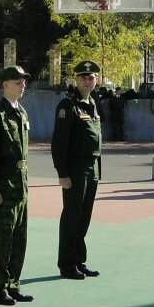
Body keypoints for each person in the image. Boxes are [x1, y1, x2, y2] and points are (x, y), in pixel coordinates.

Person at [0, 66, 33, 306]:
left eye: (23, 81)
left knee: (19, 239)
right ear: (5, 84)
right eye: (17, 81)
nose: (22, 84)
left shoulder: (21, 112)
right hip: (3, 186)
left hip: (20, 186)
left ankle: (13, 285)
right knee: (2, 240)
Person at [53, 60, 104, 278]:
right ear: (76, 80)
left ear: (96, 80)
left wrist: (98, 171)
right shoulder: (68, 106)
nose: (87, 80)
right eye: (83, 77)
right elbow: (59, 142)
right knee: (72, 216)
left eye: (91, 77)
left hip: (92, 169)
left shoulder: (92, 103)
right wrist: (62, 173)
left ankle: (78, 260)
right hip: (75, 168)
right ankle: (67, 264)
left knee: (84, 217)